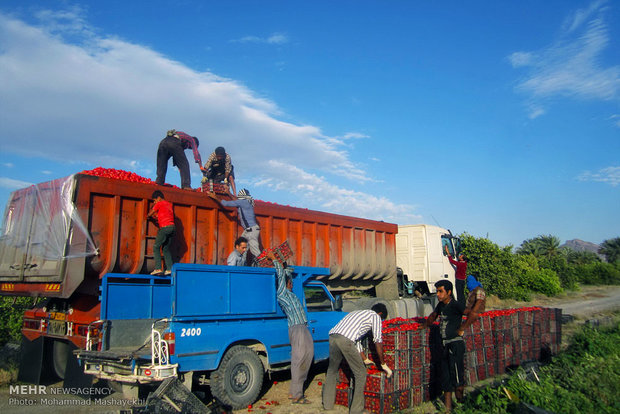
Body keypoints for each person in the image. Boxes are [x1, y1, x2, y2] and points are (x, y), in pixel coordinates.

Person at [322, 304, 392, 414]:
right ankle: (356, 410)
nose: (381, 321)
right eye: (382, 319)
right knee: (360, 373)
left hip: (333, 337)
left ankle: (327, 405)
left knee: (332, 370)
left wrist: (364, 359)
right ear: (381, 314)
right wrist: (383, 364)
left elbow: (357, 340)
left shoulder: (358, 313)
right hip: (345, 340)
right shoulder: (375, 316)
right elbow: (378, 340)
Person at [268, 251, 314, 404]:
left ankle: (294, 392)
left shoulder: (291, 294)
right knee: (299, 359)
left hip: (303, 328)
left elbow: (286, 271)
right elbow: (281, 275)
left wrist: (284, 262)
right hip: (297, 328)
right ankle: (297, 394)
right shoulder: (282, 294)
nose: (292, 284)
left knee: (307, 356)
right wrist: (274, 259)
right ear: (286, 284)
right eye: (290, 282)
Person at [423, 280, 465, 413]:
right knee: (446, 379)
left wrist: (463, 328)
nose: (438, 294)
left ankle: (462, 403)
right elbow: (433, 316)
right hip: (444, 346)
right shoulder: (441, 306)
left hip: (455, 344)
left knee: (457, 380)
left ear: (449, 292)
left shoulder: (456, 305)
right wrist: (425, 324)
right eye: (437, 291)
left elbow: (470, 314)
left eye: (441, 291)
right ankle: (448, 410)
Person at [209, 189, 261, 262]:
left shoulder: (243, 202)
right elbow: (236, 201)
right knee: (241, 247)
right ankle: (242, 264)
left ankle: (263, 265)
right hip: (248, 230)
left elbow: (226, 204)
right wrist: (228, 193)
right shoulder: (246, 202)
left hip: (251, 231)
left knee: (255, 250)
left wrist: (215, 197)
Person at [146, 191, 176, 276]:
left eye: (154, 200)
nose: (154, 202)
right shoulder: (169, 204)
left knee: (156, 247)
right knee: (165, 249)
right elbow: (164, 215)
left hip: (165, 228)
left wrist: (148, 216)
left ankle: (158, 268)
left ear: (158, 198)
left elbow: (151, 213)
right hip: (172, 228)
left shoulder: (159, 203)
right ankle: (170, 269)